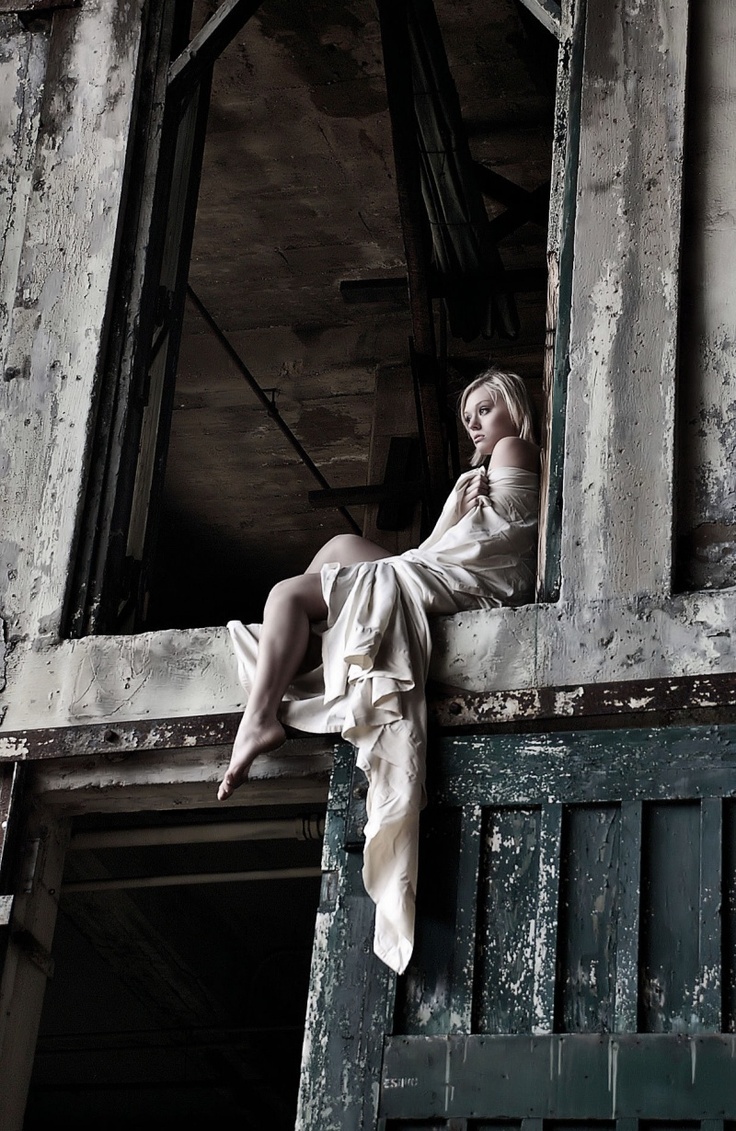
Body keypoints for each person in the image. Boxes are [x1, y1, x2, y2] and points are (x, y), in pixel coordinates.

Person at [220, 368, 539, 973]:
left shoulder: (514, 447)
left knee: (288, 596)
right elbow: (447, 543)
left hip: (470, 582)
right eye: (467, 414)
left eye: (486, 408)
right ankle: (313, 645)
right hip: (445, 568)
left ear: (515, 409)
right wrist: (452, 507)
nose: (473, 423)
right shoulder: (487, 468)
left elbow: (483, 549)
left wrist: (459, 503)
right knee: (340, 548)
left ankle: (259, 717)